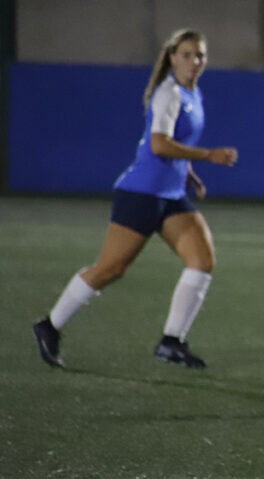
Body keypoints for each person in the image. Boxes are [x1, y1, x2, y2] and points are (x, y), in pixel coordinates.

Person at [31, 29, 238, 370]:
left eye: (199, 55)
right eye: (186, 54)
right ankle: (49, 326)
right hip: (141, 192)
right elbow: (158, 145)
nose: (194, 61)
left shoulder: (193, 93)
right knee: (111, 269)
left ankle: (172, 342)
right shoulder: (168, 93)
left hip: (170, 194)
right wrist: (208, 155)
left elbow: (170, 144)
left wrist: (187, 173)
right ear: (172, 58)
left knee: (202, 260)